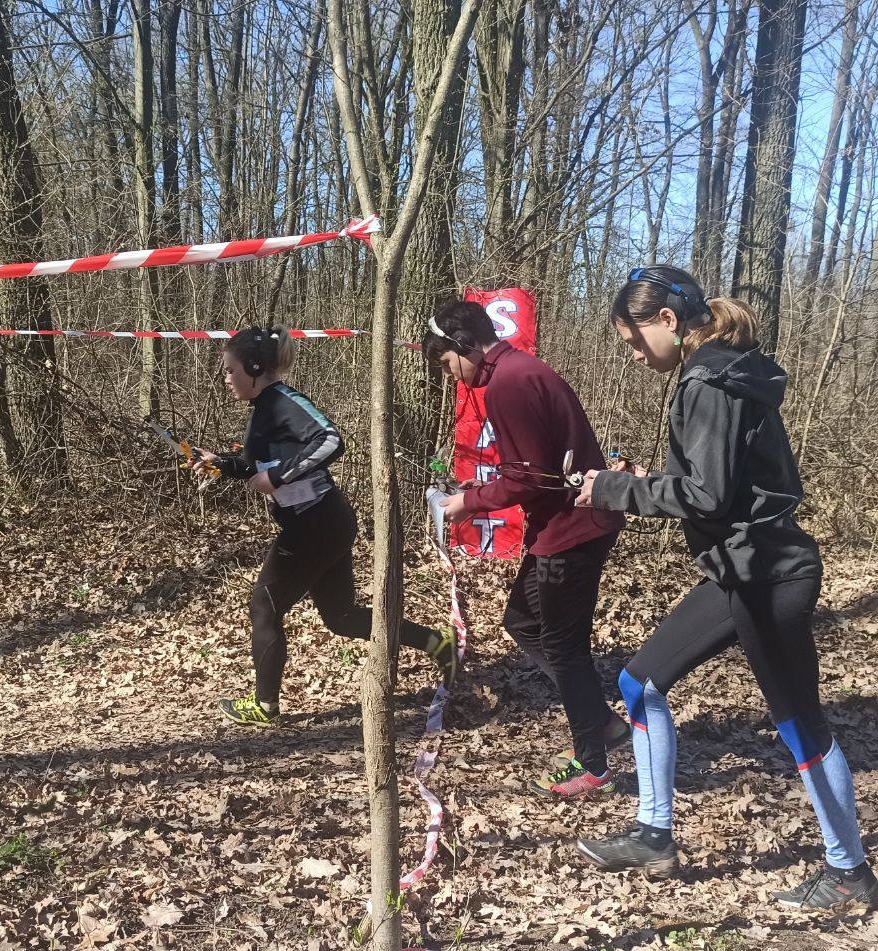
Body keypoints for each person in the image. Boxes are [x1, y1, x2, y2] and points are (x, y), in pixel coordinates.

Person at [573, 268, 878, 910]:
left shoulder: (709, 379)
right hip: (740, 570)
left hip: (766, 576)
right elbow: (715, 482)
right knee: (639, 683)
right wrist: (641, 479)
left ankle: (850, 874)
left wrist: (614, 490)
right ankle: (655, 833)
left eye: (633, 342)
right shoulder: (721, 371)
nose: (634, 356)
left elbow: (706, 496)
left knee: (800, 725)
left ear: (665, 321)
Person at [193, 325, 457, 727]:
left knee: (263, 604)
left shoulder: (282, 401)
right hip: (322, 523)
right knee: (341, 616)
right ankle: (437, 643)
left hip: (316, 524)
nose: (225, 379)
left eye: (230, 370)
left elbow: (331, 440)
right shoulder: (263, 409)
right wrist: (223, 464)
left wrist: (279, 477)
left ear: (254, 367)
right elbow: (260, 467)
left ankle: (265, 706)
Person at [425, 300, 629, 799]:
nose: (451, 375)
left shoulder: (509, 383)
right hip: (562, 524)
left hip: (573, 528)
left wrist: (467, 503)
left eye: (448, 363)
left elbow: (527, 478)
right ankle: (598, 719)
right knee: (521, 621)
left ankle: (592, 761)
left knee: (564, 646)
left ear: (465, 345)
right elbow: (534, 468)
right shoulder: (519, 371)